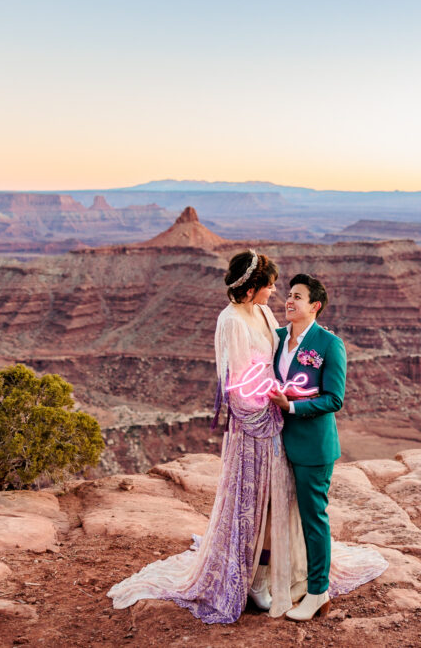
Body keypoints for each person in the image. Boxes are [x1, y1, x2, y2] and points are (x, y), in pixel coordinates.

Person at [107, 249, 307, 623]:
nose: (275, 292)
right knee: (252, 504)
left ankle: (264, 575)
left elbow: (275, 359)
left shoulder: (262, 313)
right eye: (269, 285)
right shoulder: (231, 322)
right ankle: (250, 582)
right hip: (254, 428)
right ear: (250, 290)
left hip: (275, 419)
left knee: (275, 501)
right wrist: (264, 414)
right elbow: (234, 386)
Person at [268, 273, 387, 621]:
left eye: (298, 297)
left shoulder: (328, 344)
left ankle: (318, 592)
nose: (289, 301)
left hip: (312, 447)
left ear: (315, 306)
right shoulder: (276, 338)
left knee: (312, 519)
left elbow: (335, 399)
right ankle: (286, 578)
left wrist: (291, 406)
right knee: (278, 516)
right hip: (276, 443)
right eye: (288, 294)